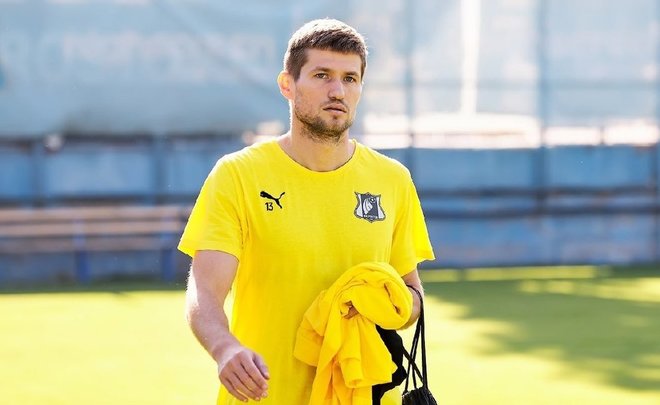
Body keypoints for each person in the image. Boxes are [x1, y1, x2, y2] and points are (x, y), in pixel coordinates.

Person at [179, 18, 435, 404]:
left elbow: (412, 298)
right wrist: (225, 348)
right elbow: (205, 291)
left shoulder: (392, 179)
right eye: (321, 75)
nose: (337, 91)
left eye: (350, 79)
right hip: (262, 396)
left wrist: (377, 297)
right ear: (288, 84)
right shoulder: (238, 175)